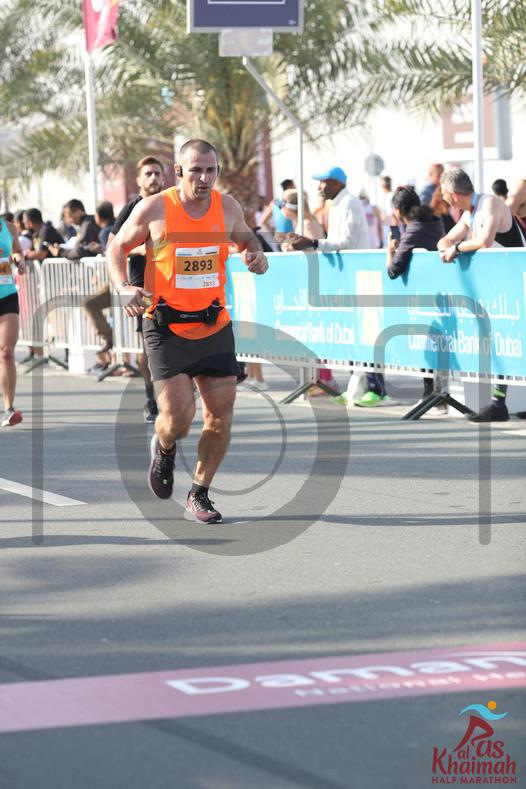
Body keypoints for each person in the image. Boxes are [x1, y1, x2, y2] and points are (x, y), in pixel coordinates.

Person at [107, 139, 269, 523]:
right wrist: (123, 286)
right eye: (196, 170)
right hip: (166, 326)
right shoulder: (154, 208)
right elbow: (116, 248)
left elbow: (247, 237)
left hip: (213, 324)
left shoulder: (227, 207)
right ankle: (164, 446)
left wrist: (255, 254)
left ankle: (199, 493)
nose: (204, 178)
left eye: (211, 170)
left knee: (220, 417)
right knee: (178, 418)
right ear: (178, 171)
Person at [286, 166, 383, 401]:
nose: (319, 187)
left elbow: (346, 242)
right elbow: (335, 242)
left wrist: (313, 243)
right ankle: (357, 387)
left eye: (323, 182)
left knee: (366, 334)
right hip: (346, 278)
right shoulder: (337, 205)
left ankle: (376, 390)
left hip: (359, 278)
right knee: (353, 335)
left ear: (336, 184)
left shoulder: (349, 202)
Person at [438, 168, 526, 422]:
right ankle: (499, 404)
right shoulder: (470, 214)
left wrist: (456, 248)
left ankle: (499, 404)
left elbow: (485, 241)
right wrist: (446, 248)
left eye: (444, 194)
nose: (442, 198)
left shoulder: (490, 204)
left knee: (514, 341)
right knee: (506, 342)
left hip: (519, 281)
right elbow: (444, 241)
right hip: (504, 287)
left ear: (453, 195)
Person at [106, 155, 166, 420]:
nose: (153, 178)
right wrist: (142, 248)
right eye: (148, 174)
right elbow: (113, 247)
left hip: (173, 284)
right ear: (139, 180)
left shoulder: (171, 203)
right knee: (149, 346)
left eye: (157, 173)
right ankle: (151, 398)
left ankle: (174, 398)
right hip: (143, 286)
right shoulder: (132, 209)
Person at [387, 186, 446, 409]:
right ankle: (435, 394)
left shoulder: (413, 230)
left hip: (426, 299)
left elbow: (393, 270)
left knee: (427, 346)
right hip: (438, 294)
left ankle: (433, 395)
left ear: (399, 210)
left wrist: (389, 250)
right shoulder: (434, 221)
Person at [0, 215, 26, 426]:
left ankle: (8, 408)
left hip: (7, 294)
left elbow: (17, 250)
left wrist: (18, 259)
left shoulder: (9, 228)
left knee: (6, 351)